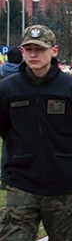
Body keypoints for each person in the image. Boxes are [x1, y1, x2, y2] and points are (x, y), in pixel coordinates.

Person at [0, 25, 72, 241]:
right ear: (22, 51)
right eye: (28, 49)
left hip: (63, 188)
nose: (33, 54)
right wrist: (20, 150)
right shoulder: (7, 89)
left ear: (54, 51)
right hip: (21, 183)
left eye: (39, 49)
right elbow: (4, 128)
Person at [0, 47, 22, 190]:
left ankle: (5, 177)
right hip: (21, 110)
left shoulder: (1, 72)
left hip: (4, 111)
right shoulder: (23, 74)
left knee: (7, 144)